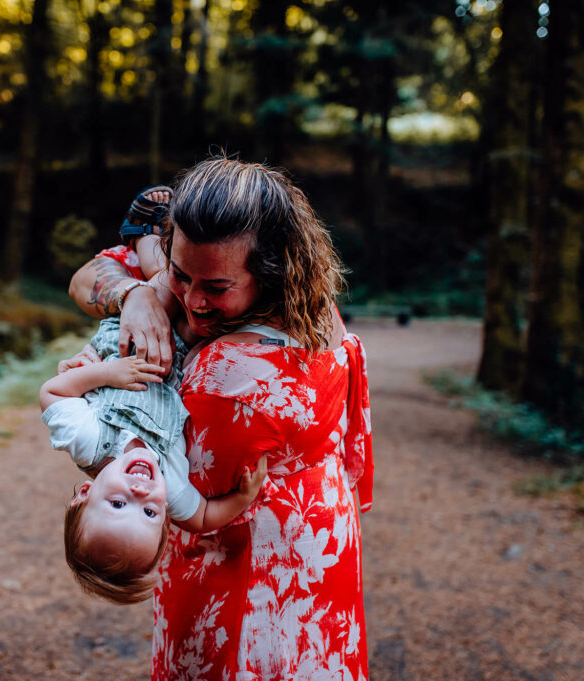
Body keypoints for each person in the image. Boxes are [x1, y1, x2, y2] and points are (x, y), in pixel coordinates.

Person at [69, 158, 374, 679]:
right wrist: (137, 294)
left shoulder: (229, 379)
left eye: (214, 287)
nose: (192, 299)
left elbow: (153, 474)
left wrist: (95, 399)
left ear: (274, 269)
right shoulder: (294, 293)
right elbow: (84, 279)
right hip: (324, 531)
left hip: (250, 564)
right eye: (181, 275)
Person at [39, 317, 268, 606]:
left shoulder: (89, 442)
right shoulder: (170, 486)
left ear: (85, 494)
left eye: (118, 504)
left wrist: (105, 373)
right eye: (149, 512)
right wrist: (243, 497)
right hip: (181, 355)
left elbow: (52, 393)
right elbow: (203, 518)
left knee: (161, 285)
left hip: (127, 340)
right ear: (165, 519)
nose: (140, 493)